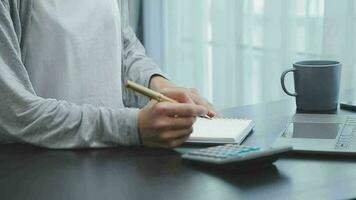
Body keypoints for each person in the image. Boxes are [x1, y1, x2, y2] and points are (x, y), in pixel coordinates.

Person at [0, 0, 216, 149]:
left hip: (111, 158)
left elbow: (122, 47)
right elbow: (13, 112)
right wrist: (131, 127)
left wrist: (158, 86)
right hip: (37, 173)